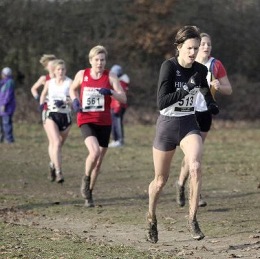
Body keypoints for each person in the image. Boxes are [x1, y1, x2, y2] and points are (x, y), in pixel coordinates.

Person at [146, 26, 219, 243]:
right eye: (189, 48)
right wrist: (187, 88)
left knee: (195, 166)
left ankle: (192, 219)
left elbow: (204, 88)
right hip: (167, 126)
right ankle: (151, 216)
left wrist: (211, 103)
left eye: (196, 48)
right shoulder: (168, 66)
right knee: (160, 181)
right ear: (179, 47)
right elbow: (162, 101)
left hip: (188, 123)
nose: (193, 52)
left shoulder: (200, 69)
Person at [176, 32, 232, 208]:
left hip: (205, 112)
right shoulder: (188, 63)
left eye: (209, 44)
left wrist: (219, 86)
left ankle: (180, 184)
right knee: (193, 156)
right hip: (187, 112)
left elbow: (229, 89)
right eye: (203, 44)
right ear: (196, 46)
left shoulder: (216, 65)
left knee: (195, 155)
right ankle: (192, 190)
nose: (206, 47)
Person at [69, 45, 126, 207]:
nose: (99, 63)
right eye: (96, 60)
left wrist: (110, 93)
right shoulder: (82, 74)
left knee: (99, 162)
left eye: (102, 60)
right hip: (86, 119)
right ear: (90, 60)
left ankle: (89, 194)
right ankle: (85, 180)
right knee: (94, 153)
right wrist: (74, 100)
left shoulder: (111, 76)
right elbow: (72, 89)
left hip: (105, 122)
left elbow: (123, 98)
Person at [39, 59, 72, 183]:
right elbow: (43, 94)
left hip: (65, 115)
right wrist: (41, 105)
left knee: (57, 145)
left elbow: (75, 100)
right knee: (56, 142)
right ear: (54, 71)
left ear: (66, 70)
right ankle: (59, 172)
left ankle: (52, 164)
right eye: (58, 69)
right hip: (50, 114)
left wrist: (65, 101)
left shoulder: (70, 82)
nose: (61, 71)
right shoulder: (50, 82)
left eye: (63, 69)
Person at [109, 64, 130, 147]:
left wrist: (117, 106)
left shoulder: (122, 82)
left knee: (117, 123)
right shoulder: (119, 81)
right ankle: (115, 140)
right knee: (114, 123)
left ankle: (119, 141)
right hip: (114, 106)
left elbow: (121, 95)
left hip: (118, 106)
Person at [0, 67, 16, 143]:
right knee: (2, 123)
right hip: (2, 105)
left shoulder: (9, 82)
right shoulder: (3, 82)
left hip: (7, 106)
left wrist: (4, 104)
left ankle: (9, 139)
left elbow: (8, 95)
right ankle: (2, 138)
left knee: (6, 123)